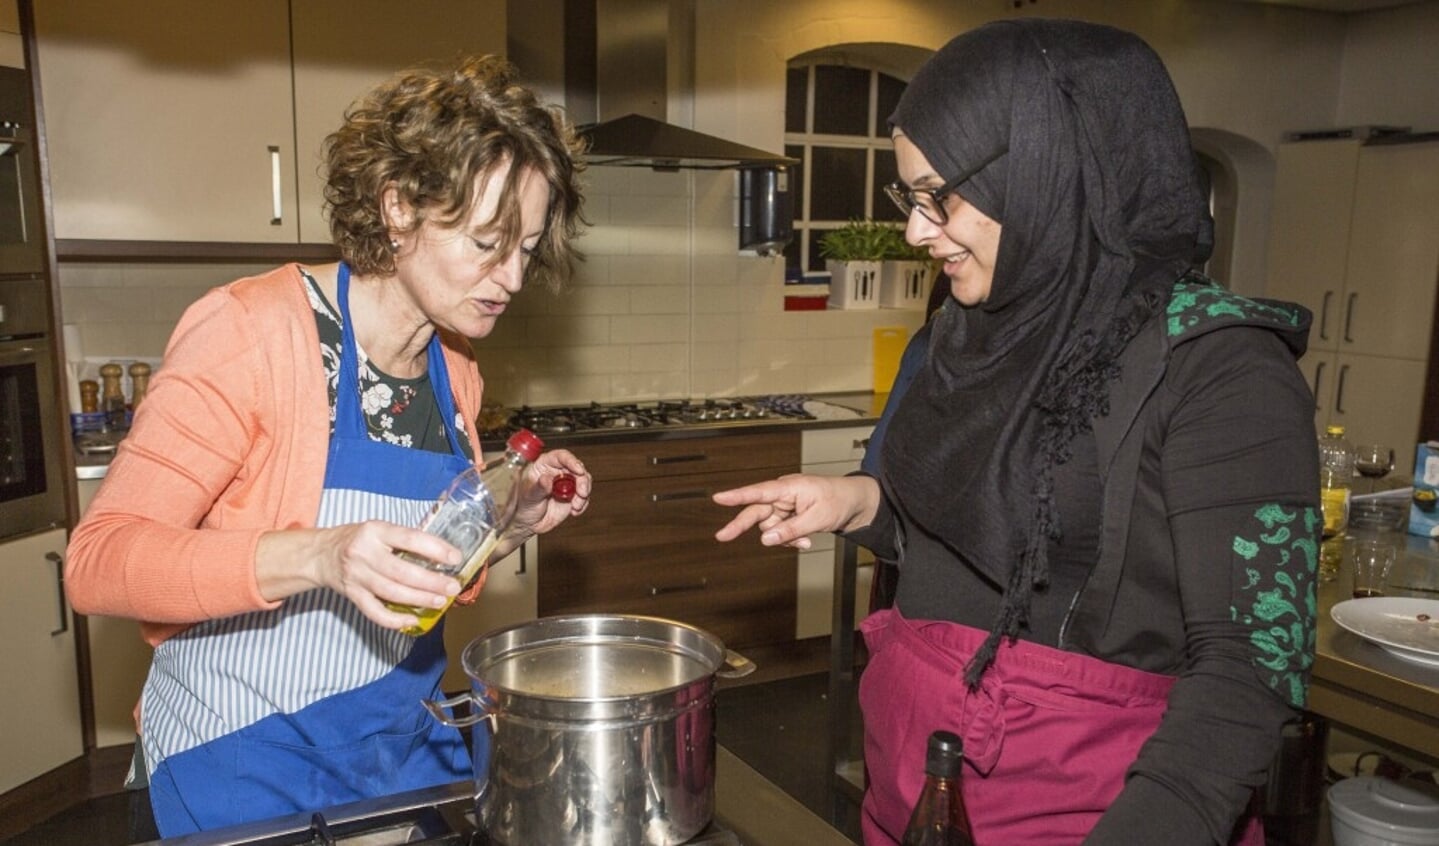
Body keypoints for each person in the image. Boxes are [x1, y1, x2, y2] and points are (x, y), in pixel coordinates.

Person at [714, 20, 1319, 846]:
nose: (916, 232)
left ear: (1047, 171)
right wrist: (856, 500)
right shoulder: (959, 333)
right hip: (916, 777)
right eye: (910, 197)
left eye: (941, 197)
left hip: (1099, 810)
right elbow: (956, 542)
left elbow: (1251, 669)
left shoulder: (1221, 367)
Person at [65, 55, 591, 838]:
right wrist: (315, 556)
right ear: (398, 208)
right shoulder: (252, 331)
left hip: (390, 743)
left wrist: (504, 520)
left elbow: (424, 576)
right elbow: (98, 564)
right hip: (242, 749)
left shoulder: (455, 368)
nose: (511, 278)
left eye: (526, 248)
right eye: (488, 242)